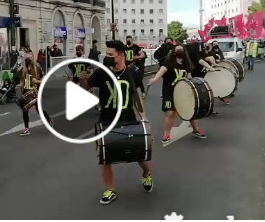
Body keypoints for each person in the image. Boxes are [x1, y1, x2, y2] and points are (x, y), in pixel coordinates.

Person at [87, 40, 153, 205]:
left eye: (111, 55)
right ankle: (110, 189)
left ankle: (146, 174)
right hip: (107, 120)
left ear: (121, 55)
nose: (107, 57)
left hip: (128, 119)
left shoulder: (132, 73)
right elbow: (86, 87)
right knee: (105, 157)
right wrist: (82, 79)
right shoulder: (101, 73)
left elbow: (137, 96)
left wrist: (143, 116)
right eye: (106, 54)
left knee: (138, 152)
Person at [148, 44, 207, 142]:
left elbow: (189, 77)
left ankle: (196, 130)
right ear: (174, 52)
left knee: (190, 111)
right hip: (169, 92)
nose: (180, 51)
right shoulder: (168, 63)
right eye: (177, 50)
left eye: (181, 50)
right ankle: (167, 134)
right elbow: (161, 71)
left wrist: (194, 88)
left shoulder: (186, 64)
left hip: (183, 92)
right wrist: (155, 79)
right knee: (170, 113)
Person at [18, 51, 53, 136]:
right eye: (27, 56)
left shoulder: (37, 67)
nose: (28, 57)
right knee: (25, 110)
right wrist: (20, 85)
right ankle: (26, 128)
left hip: (35, 92)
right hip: (26, 92)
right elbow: (22, 80)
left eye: (30, 56)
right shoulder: (23, 68)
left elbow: (43, 80)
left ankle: (48, 119)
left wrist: (36, 81)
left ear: (33, 57)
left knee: (39, 110)